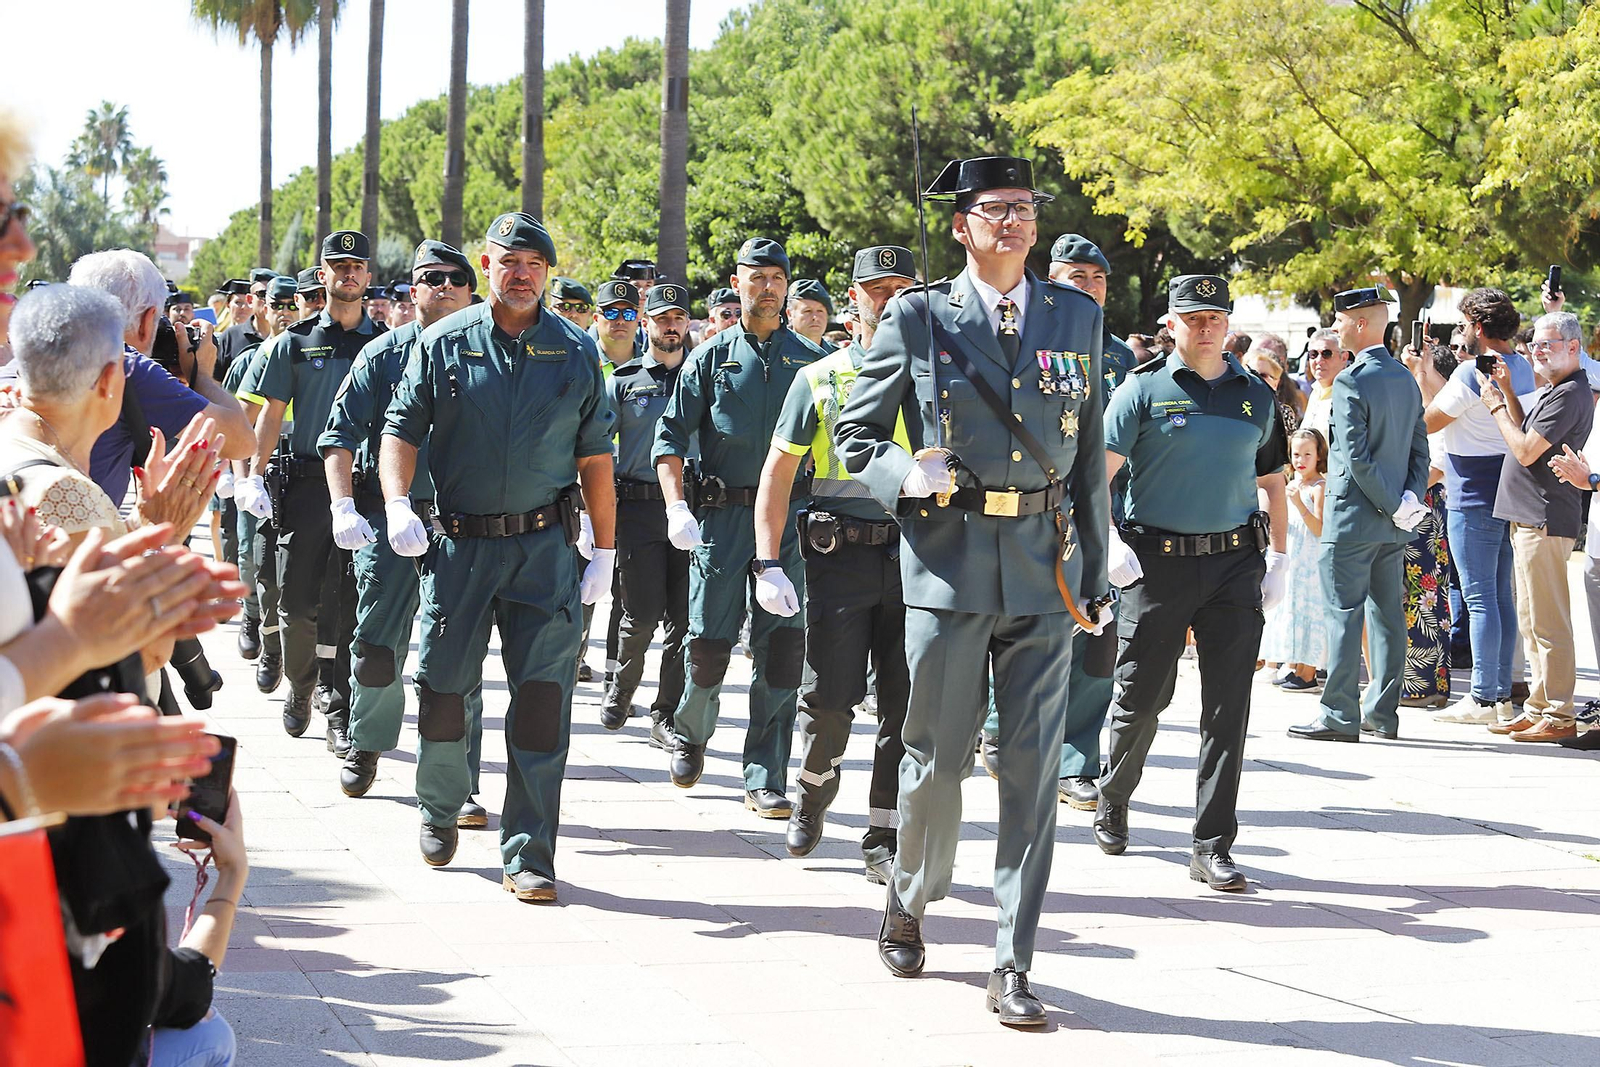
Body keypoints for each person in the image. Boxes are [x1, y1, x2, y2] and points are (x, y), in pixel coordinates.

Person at [836, 155, 1110, 1027]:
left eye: (1026, 209)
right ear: (961, 224)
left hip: (1042, 563)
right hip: (948, 560)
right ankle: (909, 895)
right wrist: (899, 474)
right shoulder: (919, 316)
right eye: (996, 210)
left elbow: (1091, 453)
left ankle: (1012, 959)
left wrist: (1098, 571)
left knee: (1030, 772)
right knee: (935, 760)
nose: (1015, 223)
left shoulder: (1076, 313)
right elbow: (855, 434)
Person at [381, 211, 616, 900]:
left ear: (547, 273)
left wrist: (605, 549)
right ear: (487, 266)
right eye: (509, 262)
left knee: (543, 703)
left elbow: (595, 457)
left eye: (533, 265)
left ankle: (530, 852)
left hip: (543, 551)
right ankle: (441, 802)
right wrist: (397, 501)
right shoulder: (444, 342)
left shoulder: (575, 351)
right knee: (444, 692)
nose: (521, 275)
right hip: (458, 546)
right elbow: (400, 428)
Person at [1095, 274, 1287, 893]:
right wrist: (1108, 542)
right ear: (1170, 326)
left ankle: (1211, 843)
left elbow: (1275, 483)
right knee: (1143, 698)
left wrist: (1280, 559)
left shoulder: (1256, 394)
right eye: (1192, 317)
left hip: (1234, 563)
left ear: (1228, 324)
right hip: (1156, 563)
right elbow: (1098, 477)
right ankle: (1114, 792)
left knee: (1229, 707)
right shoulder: (1140, 390)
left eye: (1214, 316)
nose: (1205, 327)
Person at [756, 244, 916, 884]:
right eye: (877, 288)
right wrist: (767, 562)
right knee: (829, 699)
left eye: (902, 287)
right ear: (854, 300)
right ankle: (813, 789)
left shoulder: (939, 378)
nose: (890, 299)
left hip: (918, 555)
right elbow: (779, 471)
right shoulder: (820, 377)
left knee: (906, 706)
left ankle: (884, 832)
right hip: (840, 558)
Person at [652, 236, 822, 818]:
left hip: (792, 523)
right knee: (708, 648)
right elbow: (670, 439)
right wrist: (677, 506)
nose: (768, 287)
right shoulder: (710, 357)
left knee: (781, 654)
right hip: (722, 520)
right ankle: (691, 733)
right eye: (758, 277)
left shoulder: (810, 360)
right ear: (737, 283)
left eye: (778, 276)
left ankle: (765, 774)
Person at [323, 240, 487, 826]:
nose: (443, 287)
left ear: (472, 290)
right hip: (388, 518)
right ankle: (367, 741)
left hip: (463, 526)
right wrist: (345, 505)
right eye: (430, 278)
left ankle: (459, 779)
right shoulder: (382, 355)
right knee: (376, 642)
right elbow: (338, 435)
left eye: (455, 278)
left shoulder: (489, 354)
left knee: (457, 652)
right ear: (410, 289)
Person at [235, 231, 377, 747]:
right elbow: (270, 416)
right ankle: (300, 685)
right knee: (295, 603)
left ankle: (339, 707)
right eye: (337, 265)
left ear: (368, 275)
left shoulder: (381, 344)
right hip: (306, 484)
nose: (347, 273)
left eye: (356, 265)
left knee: (349, 602)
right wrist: (251, 475)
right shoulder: (294, 344)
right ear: (322, 275)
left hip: (364, 487)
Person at [1288, 287, 1429, 743]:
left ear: (1362, 325)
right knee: (1387, 617)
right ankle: (1382, 715)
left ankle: (1338, 714)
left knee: (1343, 615)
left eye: (1342, 321)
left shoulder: (1352, 379)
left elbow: (1354, 457)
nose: (1337, 327)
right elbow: (1418, 448)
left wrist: (1394, 503)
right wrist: (1407, 501)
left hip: (1352, 518)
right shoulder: (1404, 378)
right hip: (1392, 521)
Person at [1423, 288, 1535, 726]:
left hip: (1470, 494)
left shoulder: (1471, 372)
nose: (1462, 331)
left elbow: (1427, 421)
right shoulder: (1523, 365)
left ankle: (1485, 696)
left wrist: (1420, 375)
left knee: (1479, 597)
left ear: (1480, 327)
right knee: (1498, 598)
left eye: (1466, 323)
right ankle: (1500, 694)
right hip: (1507, 491)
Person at [1481, 311, 1593, 742]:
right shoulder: (1557, 390)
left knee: (1549, 623)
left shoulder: (1569, 393)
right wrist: (1508, 394)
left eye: (1548, 344)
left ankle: (1560, 713)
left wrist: (1495, 408)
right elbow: (1529, 435)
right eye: (1536, 343)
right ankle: (1540, 706)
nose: (1538, 350)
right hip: (1530, 516)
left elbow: (1526, 450)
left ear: (1573, 347)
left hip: (1544, 517)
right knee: (1531, 621)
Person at [600, 282, 693, 742]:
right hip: (638, 507)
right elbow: (596, 444)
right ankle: (621, 687)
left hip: (694, 510)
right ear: (647, 324)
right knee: (639, 616)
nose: (671, 326)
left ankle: (666, 715)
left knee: (685, 620)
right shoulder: (624, 381)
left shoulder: (704, 377)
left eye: (678, 318)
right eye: (662, 319)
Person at [1398, 341, 1458, 708]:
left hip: (1423, 506)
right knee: (1420, 595)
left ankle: (1423, 686)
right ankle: (1423, 684)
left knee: (1425, 596)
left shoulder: (1439, 412)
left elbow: (1435, 468)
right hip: (1417, 506)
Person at [1259, 427, 1329, 691]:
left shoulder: (1319, 487)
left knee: (1311, 610)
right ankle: (1296, 667)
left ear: (1319, 455)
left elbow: (1320, 528)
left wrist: (1299, 504)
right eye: (1296, 454)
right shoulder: (1292, 484)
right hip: (1294, 556)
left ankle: (1309, 672)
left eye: (1307, 454)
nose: (1301, 460)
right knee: (1293, 609)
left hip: (1310, 561)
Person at [1298, 328, 1346, 438]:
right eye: (1313, 354)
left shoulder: (1348, 395)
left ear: (1344, 357)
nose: (1319, 360)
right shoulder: (1315, 392)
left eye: (1326, 354)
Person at [786, 278, 833, 346]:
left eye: (820, 311)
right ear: (789, 314)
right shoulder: (775, 351)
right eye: (807, 311)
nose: (815, 317)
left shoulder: (837, 354)